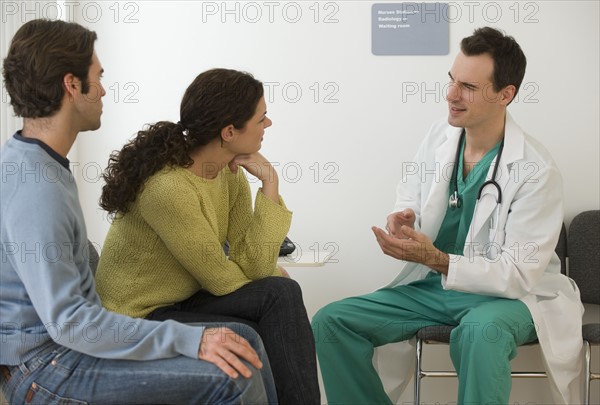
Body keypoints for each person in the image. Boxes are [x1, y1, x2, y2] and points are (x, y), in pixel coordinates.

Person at [0, 19, 276, 404]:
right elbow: (71, 322)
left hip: (62, 354)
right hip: (46, 369)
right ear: (72, 85)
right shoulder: (36, 185)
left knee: (240, 345)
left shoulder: (38, 163)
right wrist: (188, 339)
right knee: (231, 375)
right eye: (97, 78)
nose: (104, 90)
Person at [313, 27, 583, 404]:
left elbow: (517, 274)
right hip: (436, 288)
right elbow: (410, 193)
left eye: (468, 87)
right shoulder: (440, 135)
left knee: (478, 332)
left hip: (511, 299)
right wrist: (403, 219)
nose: (451, 95)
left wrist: (436, 259)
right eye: (452, 81)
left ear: (506, 94)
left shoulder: (536, 170)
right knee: (332, 322)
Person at [94, 68, 320, 404]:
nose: (268, 125)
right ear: (229, 131)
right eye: (262, 119)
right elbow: (220, 279)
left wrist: (270, 182)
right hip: (138, 314)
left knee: (280, 293)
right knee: (277, 297)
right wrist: (269, 274)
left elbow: (254, 264)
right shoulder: (169, 188)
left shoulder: (227, 175)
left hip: (182, 297)